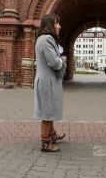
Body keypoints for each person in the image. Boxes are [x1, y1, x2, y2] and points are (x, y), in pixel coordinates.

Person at [34, 14, 67, 152]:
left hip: (47, 79)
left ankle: (52, 135)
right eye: (56, 23)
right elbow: (53, 62)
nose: (59, 26)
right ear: (49, 25)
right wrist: (63, 60)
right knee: (47, 113)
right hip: (47, 81)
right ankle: (45, 143)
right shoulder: (47, 39)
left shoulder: (44, 39)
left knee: (49, 109)